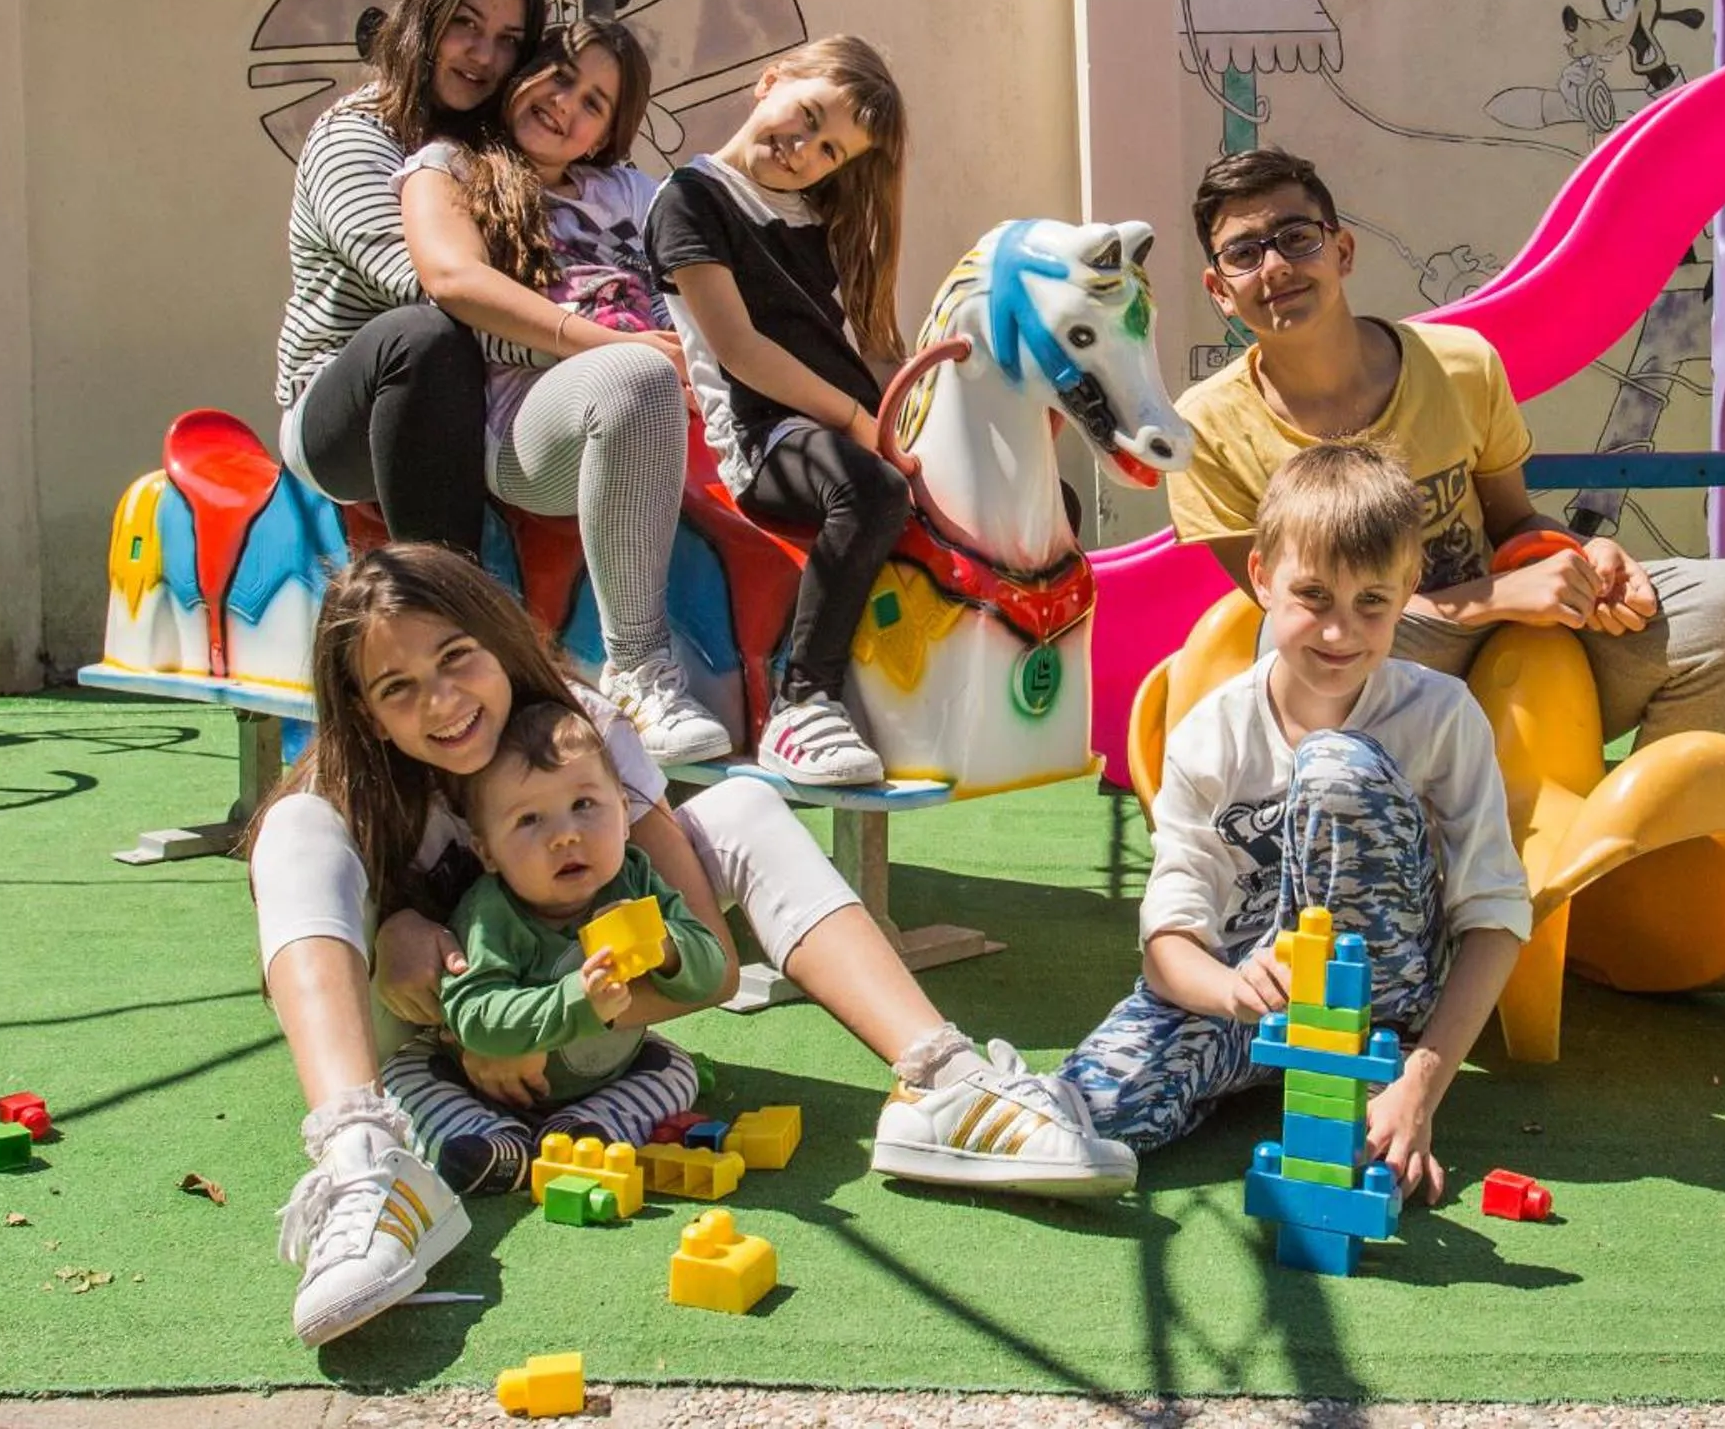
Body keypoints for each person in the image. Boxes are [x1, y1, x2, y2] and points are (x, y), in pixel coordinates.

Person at [250, 544, 1135, 1346]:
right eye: (397, 688)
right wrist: (407, 945)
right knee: (289, 826)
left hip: (578, 1020)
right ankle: (365, 1162)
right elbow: (322, 970)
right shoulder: (350, 784)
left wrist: (542, 1019)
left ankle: (939, 1076)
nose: (441, 701)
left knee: (745, 805)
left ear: (498, 638)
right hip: (423, 1044)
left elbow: (706, 959)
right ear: (364, 713)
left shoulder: (584, 729)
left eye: (456, 657)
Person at [1169, 147, 1725, 749]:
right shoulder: (1205, 429)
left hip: (1519, 645)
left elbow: (1513, 523)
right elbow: (1293, 614)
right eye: (1244, 254)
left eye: (1297, 238)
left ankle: (1641, 831)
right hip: (1381, 660)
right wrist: (1494, 601)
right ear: (1219, 290)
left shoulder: (1460, 364)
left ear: (1343, 250)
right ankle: (1369, 820)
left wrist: (1585, 559)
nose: (1275, 266)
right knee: (1302, 651)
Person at [1060, 441, 1531, 1200]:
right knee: (1083, 1104)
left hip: (1382, 1010)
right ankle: (1279, 1078)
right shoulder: (1213, 733)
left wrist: (1420, 1080)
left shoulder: (1440, 717)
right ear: (1262, 577)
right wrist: (1232, 993)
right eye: (1313, 596)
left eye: (1371, 602)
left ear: (1410, 587)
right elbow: (1168, 944)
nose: (1340, 633)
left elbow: (1497, 914)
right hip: (1260, 997)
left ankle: (1364, 1089)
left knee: (1334, 764)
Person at [397, 16, 730, 763]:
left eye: (594, 103)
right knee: (636, 375)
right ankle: (640, 670)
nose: (566, 105)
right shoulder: (449, 165)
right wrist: (616, 346)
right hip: (529, 421)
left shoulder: (632, 191)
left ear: (607, 132)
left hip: (661, 401)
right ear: (525, 70)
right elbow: (453, 279)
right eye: (560, 75)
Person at [645, 36, 911, 788]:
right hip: (765, 435)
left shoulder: (812, 214)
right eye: (807, 117)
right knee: (871, 489)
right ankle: (804, 702)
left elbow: (857, 346)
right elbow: (740, 350)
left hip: (837, 422)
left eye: (830, 150)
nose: (804, 150)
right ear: (771, 82)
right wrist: (861, 426)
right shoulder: (691, 200)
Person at [275, 0, 546, 558]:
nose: (484, 55)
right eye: (465, 25)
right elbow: (433, 286)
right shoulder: (354, 136)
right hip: (346, 417)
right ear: (425, 20)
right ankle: (449, 595)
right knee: (421, 335)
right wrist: (580, 343)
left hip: (486, 395)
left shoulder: (499, 145)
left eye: (509, 41)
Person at [390, 699, 728, 1194]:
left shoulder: (634, 879)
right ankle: (494, 1141)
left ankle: (585, 1134)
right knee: (405, 1072)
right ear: (487, 851)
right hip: (485, 1084)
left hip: (606, 1073)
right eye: (529, 821)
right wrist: (577, 1002)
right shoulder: (493, 913)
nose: (564, 836)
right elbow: (474, 1014)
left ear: (623, 812)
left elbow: (711, 967)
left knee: (674, 1068)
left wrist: (668, 946)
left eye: (584, 806)